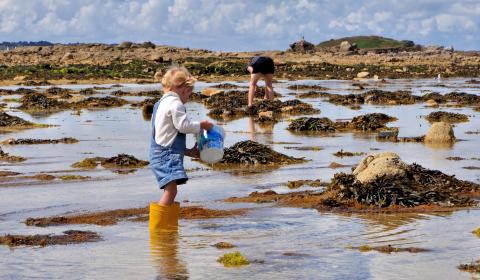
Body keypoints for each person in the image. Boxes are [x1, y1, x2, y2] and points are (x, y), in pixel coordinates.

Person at [149, 66, 213, 233]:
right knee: (171, 191)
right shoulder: (175, 103)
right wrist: (201, 125)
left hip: (161, 152)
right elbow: (183, 126)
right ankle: (159, 230)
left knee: (171, 190)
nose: (188, 98)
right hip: (165, 156)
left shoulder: (161, 102)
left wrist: (188, 152)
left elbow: (167, 137)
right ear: (184, 90)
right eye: (189, 95)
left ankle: (168, 229)